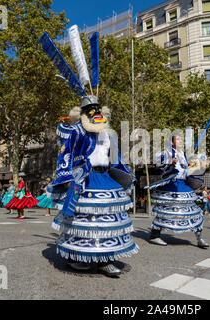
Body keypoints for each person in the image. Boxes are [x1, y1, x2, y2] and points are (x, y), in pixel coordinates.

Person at [47, 96, 138, 277]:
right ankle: (77, 257)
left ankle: (106, 261)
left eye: (98, 109)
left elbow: (115, 159)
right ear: (82, 114)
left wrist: (124, 176)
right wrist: (66, 177)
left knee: (108, 221)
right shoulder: (77, 132)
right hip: (85, 179)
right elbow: (65, 155)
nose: (96, 113)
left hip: (105, 179)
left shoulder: (109, 134)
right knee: (83, 221)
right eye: (91, 110)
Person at [147, 135, 210, 248]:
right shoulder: (167, 153)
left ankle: (199, 238)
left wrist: (196, 165)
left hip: (183, 186)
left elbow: (186, 169)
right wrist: (169, 162)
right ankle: (154, 235)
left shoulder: (184, 154)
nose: (181, 141)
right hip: (172, 185)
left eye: (182, 139)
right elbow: (157, 165)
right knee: (166, 212)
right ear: (172, 143)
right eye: (178, 139)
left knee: (193, 211)